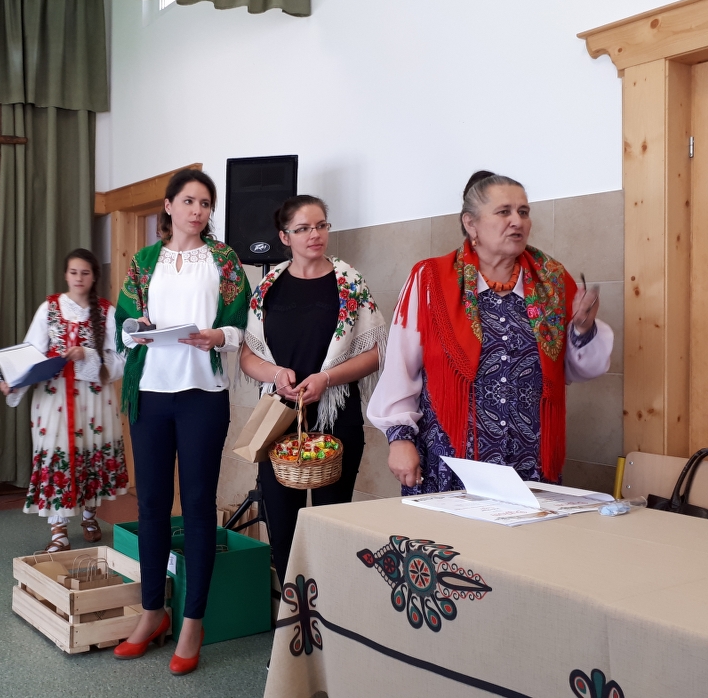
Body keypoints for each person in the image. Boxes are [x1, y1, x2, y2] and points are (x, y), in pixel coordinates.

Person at [367, 171, 613, 494]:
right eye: (504, 212)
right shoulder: (430, 280)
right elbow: (401, 366)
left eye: (523, 212)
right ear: (471, 223)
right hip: (450, 464)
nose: (517, 221)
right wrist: (399, 439)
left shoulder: (552, 282)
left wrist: (583, 327)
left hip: (529, 466)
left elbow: (581, 369)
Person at [112, 168, 250, 675]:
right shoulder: (144, 261)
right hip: (150, 393)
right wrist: (137, 327)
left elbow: (242, 325)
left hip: (202, 396)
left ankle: (193, 623)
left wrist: (219, 337)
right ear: (168, 206)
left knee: (196, 506)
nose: (197, 210)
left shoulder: (225, 260)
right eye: (189, 201)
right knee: (150, 504)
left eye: (205, 203)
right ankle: (152, 613)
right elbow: (123, 325)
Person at [239, 195, 387, 579]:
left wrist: (327, 378)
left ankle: (327, 609)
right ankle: (295, 608)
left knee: (329, 528)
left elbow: (375, 353)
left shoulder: (349, 283)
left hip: (337, 416)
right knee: (282, 527)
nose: (315, 234)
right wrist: (275, 375)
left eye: (321, 225)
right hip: (280, 419)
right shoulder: (267, 288)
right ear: (284, 236)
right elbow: (248, 356)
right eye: (303, 228)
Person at [0, 249, 128, 552]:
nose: (79, 278)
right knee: (57, 454)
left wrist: (88, 355)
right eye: (73, 272)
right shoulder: (49, 308)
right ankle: (58, 529)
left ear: (94, 276)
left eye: (85, 272)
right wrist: (12, 382)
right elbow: (29, 353)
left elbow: (121, 357)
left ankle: (90, 515)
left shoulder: (106, 311)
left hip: (94, 399)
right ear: (65, 275)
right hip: (53, 397)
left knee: (90, 455)